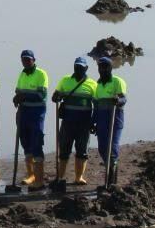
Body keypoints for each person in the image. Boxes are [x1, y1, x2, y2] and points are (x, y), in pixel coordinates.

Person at [53, 57, 97, 188]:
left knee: (82, 151)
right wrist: (56, 97)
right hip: (67, 122)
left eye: (81, 67)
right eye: (76, 67)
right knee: (64, 150)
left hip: (84, 123)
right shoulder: (65, 80)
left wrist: (93, 122)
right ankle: (60, 177)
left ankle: (79, 177)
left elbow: (97, 104)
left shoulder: (92, 84)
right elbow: (55, 95)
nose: (78, 69)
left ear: (86, 68)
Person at [12, 49, 49, 187]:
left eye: (28, 59)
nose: (26, 62)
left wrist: (23, 96)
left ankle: (39, 180)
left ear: (34, 60)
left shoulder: (41, 74)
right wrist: (16, 98)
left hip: (36, 112)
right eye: (23, 59)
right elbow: (18, 92)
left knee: (36, 143)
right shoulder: (22, 74)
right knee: (25, 142)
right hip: (23, 112)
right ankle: (30, 175)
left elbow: (41, 95)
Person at [93, 54, 127, 185]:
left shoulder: (118, 81)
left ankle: (111, 182)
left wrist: (118, 100)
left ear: (111, 68)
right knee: (102, 148)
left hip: (115, 117)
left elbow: (124, 99)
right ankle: (109, 171)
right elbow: (95, 105)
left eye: (105, 67)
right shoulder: (98, 84)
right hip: (101, 119)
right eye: (100, 67)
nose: (103, 70)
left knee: (112, 148)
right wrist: (93, 122)